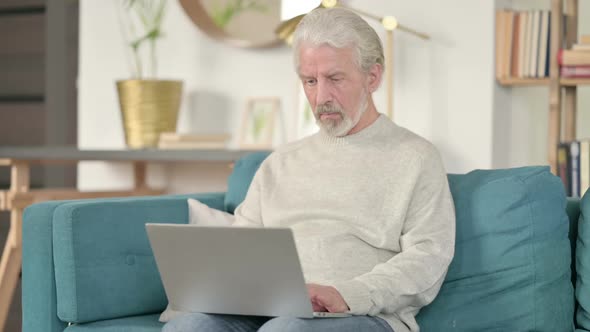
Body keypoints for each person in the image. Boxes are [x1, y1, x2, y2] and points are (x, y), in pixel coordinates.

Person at [163, 6, 455, 332]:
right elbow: (240, 250)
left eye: (334, 78)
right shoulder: (278, 164)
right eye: (310, 81)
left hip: (361, 315)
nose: (321, 97)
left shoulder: (415, 157)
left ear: (372, 77)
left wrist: (346, 294)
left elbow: (428, 259)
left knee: (287, 330)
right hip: (266, 310)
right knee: (189, 327)